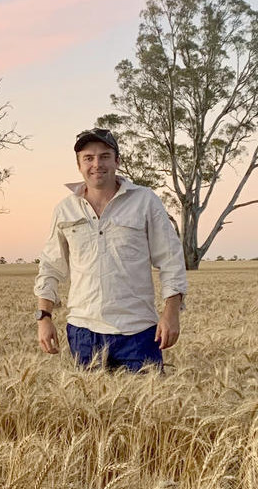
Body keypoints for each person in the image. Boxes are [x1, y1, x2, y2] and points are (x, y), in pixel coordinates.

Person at [34, 128, 188, 372]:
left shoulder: (145, 200)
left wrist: (171, 313)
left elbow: (170, 260)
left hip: (138, 332)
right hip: (83, 332)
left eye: (105, 156)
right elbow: (51, 266)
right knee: (88, 409)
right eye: (89, 158)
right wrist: (44, 317)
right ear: (79, 165)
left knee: (146, 409)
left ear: (117, 160)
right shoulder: (65, 209)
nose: (97, 164)